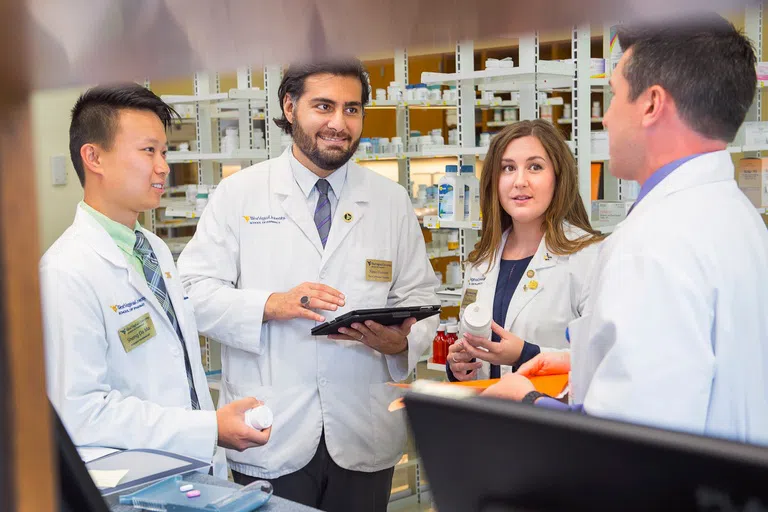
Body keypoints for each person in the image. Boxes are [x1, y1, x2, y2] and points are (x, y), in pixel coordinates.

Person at [483, 15, 768, 446]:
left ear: (651, 104)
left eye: (613, 95)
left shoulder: (654, 243)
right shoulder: (739, 218)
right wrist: (573, 360)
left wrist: (527, 404)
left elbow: (630, 444)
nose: (606, 119)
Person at [177, 59, 439, 511]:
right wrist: (271, 304)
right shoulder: (240, 194)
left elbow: (421, 301)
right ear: (290, 106)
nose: (339, 123)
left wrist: (400, 343)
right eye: (324, 106)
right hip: (270, 431)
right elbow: (191, 294)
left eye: (352, 109)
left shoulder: (390, 200)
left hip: (363, 429)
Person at [40, 84, 271, 476]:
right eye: (149, 151)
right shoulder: (65, 272)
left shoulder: (153, 248)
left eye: (164, 152)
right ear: (93, 157)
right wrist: (207, 428)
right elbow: (81, 412)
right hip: (135, 483)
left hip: (190, 470)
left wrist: (206, 429)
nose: (163, 166)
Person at [446, 120, 604, 382]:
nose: (519, 181)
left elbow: (602, 358)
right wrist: (460, 367)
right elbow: (473, 349)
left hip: (551, 416)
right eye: (508, 168)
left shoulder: (588, 256)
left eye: (535, 167)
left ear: (558, 177)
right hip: (488, 415)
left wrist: (525, 354)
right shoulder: (481, 261)